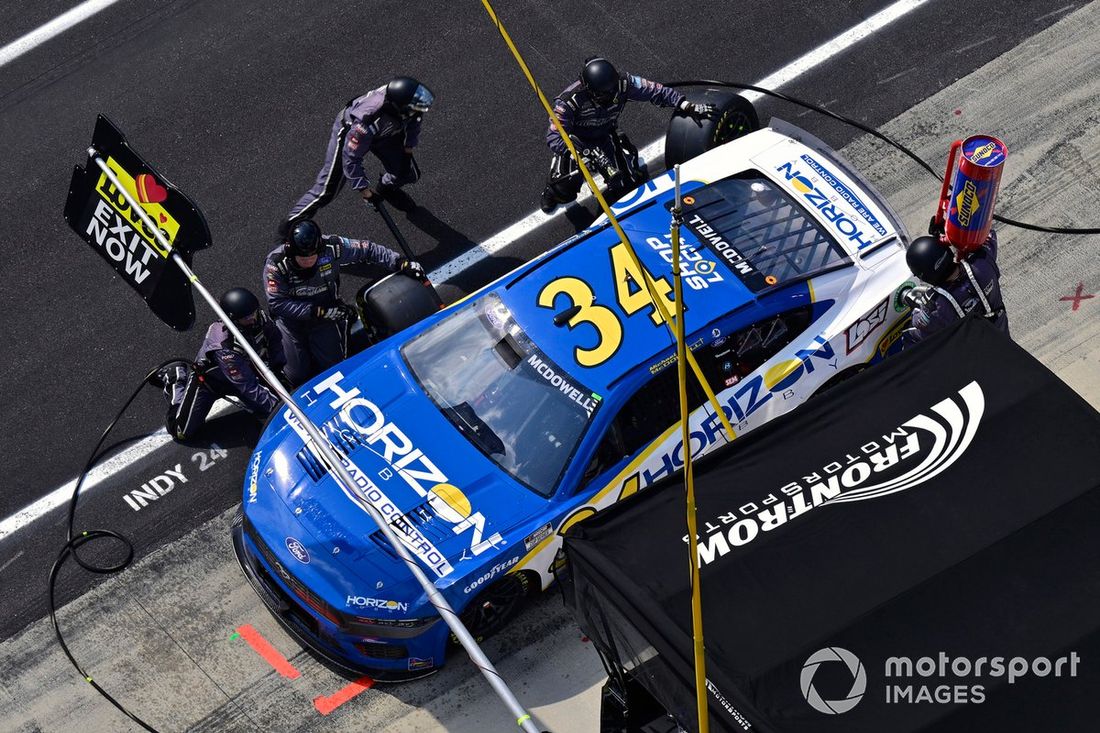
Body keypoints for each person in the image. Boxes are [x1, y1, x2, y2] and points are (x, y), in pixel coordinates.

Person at [540, 57, 712, 213]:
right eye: (604, 94)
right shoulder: (569, 102)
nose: (612, 96)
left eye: (613, 90)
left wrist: (685, 105)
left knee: (626, 183)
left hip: (605, 135)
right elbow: (554, 137)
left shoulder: (624, 83)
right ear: (589, 89)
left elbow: (655, 90)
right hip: (577, 143)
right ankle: (552, 192)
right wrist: (580, 155)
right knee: (564, 187)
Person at [265, 218, 424, 385]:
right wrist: (315, 310)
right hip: (293, 324)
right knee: (296, 377)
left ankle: (342, 320)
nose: (308, 260)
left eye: (313, 255)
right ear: (291, 252)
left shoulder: (332, 247)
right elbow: (277, 303)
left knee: (334, 370)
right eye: (303, 257)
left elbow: (367, 249)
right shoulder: (275, 265)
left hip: (325, 317)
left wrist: (400, 262)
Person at [284, 77, 435, 230]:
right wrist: (365, 191)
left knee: (407, 173)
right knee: (327, 190)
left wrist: (408, 149)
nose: (418, 111)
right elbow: (351, 159)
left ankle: (387, 188)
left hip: (387, 131)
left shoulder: (408, 107)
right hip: (352, 134)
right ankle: (290, 226)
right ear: (399, 107)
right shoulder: (366, 121)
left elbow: (415, 119)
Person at [156, 288, 285, 441]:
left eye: (254, 313)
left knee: (268, 408)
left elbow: (276, 342)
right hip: (210, 383)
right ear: (232, 320)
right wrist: (280, 408)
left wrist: (278, 371)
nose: (252, 319)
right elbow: (248, 387)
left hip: (245, 373)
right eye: (246, 317)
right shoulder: (225, 347)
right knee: (181, 431)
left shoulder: (261, 318)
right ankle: (175, 377)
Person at [901, 231, 1009, 346]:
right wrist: (949, 234)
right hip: (1004, 341)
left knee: (908, 336)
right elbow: (988, 234)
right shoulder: (983, 263)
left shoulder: (936, 307)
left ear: (925, 275)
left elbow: (919, 324)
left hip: (977, 355)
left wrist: (917, 308)